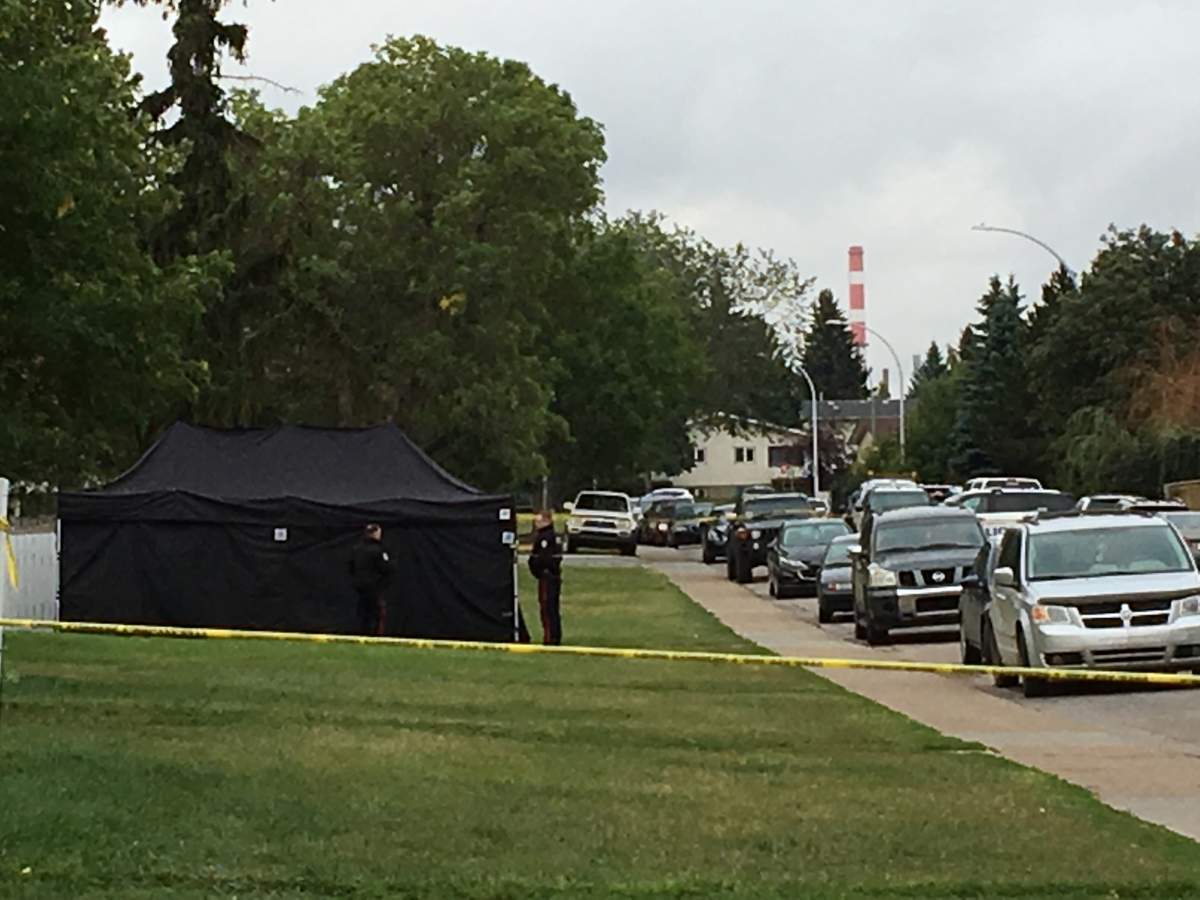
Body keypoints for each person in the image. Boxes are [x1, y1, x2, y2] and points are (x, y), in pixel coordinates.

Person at [350, 523, 393, 636]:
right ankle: (374, 636)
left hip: (359, 587)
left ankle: (361, 634)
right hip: (375, 587)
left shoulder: (356, 549)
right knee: (376, 613)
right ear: (375, 534)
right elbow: (386, 568)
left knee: (362, 613)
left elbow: (351, 567)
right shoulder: (379, 550)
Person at [528, 510, 563, 645]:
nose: (536, 524)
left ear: (546, 521)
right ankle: (554, 636)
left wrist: (537, 569)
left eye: (538, 521)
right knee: (552, 608)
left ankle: (550, 638)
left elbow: (543, 558)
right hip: (553, 576)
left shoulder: (545, 538)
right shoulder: (553, 536)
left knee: (547, 608)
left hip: (547, 577)